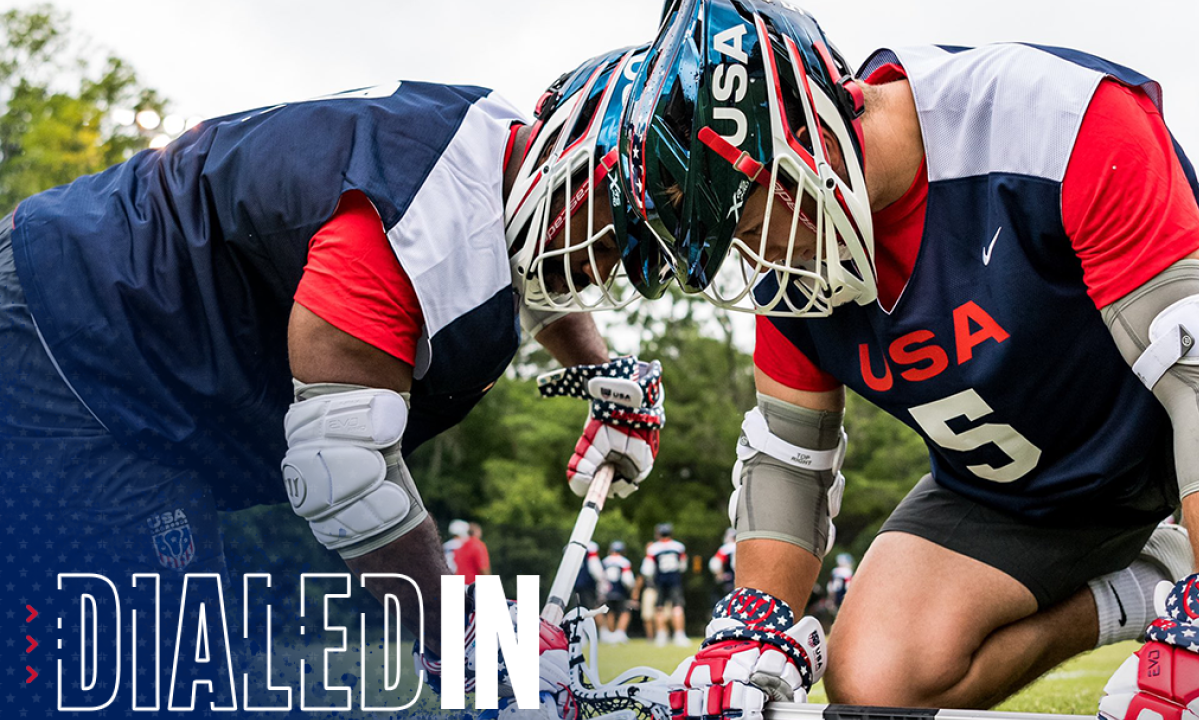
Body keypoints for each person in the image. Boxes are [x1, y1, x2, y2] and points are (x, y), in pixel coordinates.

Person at [619, 2, 1199, 719]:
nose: (760, 258)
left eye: (751, 227)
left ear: (809, 131)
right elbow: (787, 454)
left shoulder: (1043, 114)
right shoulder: (791, 261)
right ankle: (1148, 581)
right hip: (1027, 486)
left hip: (1196, 424)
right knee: (877, 679)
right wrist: (753, 621)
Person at [0, 43, 668, 717]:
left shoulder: (495, 153)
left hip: (105, 345)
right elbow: (342, 472)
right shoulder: (415, 217)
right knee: (154, 679)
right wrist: (465, 636)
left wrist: (600, 374)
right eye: (606, 244)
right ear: (571, 167)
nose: (596, 272)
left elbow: (539, 257)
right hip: (73, 341)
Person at [640, 522, 690, 647]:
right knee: (677, 607)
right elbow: (683, 566)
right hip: (675, 581)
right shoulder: (679, 546)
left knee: (659, 608)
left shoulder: (653, 548)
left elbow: (647, 569)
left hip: (660, 581)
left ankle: (661, 635)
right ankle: (679, 634)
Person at [600, 540, 637, 644]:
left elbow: (601, 577)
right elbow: (627, 579)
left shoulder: (605, 561)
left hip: (608, 591)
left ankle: (611, 634)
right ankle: (620, 633)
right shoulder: (624, 562)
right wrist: (631, 588)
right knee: (625, 612)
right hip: (620, 591)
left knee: (610, 612)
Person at [708, 527, 738, 596]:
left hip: (729, 577)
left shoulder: (725, 548)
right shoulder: (744, 546)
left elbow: (716, 563)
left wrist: (719, 574)